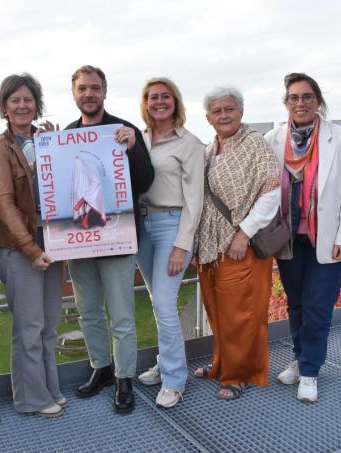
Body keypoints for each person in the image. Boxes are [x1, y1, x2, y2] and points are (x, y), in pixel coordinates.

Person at [265, 73, 341, 403]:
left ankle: (310, 372)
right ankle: (300, 357)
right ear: (286, 103)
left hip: (328, 237)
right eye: (294, 97)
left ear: (318, 101)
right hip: (288, 237)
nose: (301, 103)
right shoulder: (273, 139)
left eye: (307, 96)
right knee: (295, 304)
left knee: (318, 306)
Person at [66, 65, 154, 413]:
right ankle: (101, 367)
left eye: (95, 88)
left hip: (117, 235)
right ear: (74, 93)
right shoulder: (65, 136)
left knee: (121, 314)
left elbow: (145, 181)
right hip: (79, 238)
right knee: (88, 312)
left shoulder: (124, 130)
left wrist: (132, 149)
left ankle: (124, 376)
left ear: (104, 92)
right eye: (82, 88)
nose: (88, 94)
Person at [193, 86, 281, 400]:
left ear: (241, 112)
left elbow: (271, 192)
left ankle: (239, 374)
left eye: (229, 109)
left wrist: (244, 234)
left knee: (240, 314)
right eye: (217, 111)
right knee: (217, 311)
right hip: (211, 247)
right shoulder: (209, 149)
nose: (224, 116)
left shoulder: (254, 143)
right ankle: (221, 364)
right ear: (208, 117)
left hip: (240, 245)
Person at [0, 73, 67, 418]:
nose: (22, 106)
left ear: (37, 104)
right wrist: (30, 250)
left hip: (52, 241)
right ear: (4, 106)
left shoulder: (47, 140)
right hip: (19, 247)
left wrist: (58, 149)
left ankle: (50, 388)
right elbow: (3, 203)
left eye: (28, 99)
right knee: (29, 328)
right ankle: (30, 398)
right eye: (15, 100)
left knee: (49, 325)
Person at [134, 78, 205, 408]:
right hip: (142, 225)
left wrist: (182, 244)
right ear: (145, 103)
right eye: (153, 97)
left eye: (166, 96)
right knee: (157, 300)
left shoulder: (190, 144)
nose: (159, 102)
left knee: (164, 302)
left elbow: (195, 199)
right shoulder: (138, 138)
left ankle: (175, 379)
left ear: (175, 102)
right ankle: (165, 362)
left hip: (171, 225)